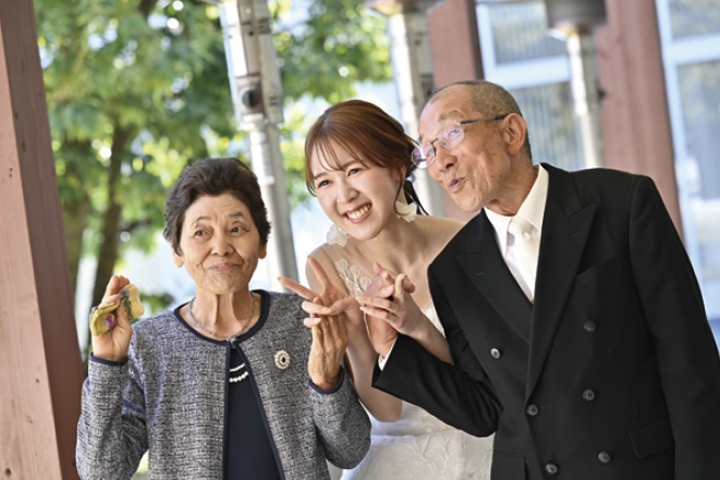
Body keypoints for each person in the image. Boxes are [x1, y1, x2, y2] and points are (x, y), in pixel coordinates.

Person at [365, 80, 720, 479]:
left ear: (512, 132)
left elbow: (689, 363)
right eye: (427, 150)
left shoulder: (621, 203)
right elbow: (484, 411)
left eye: (452, 133)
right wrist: (391, 345)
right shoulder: (452, 269)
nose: (439, 162)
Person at [76, 158, 371, 480]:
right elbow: (100, 472)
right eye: (201, 232)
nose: (221, 247)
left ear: (261, 243)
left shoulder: (302, 322)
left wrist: (327, 382)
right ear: (176, 250)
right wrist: (106, 365)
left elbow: (351, 451)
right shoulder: (147, 345)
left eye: (236, 229)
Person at [281, 99, 494, 479]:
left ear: (397, 169)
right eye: (325, 181)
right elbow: (387, 412)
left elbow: (480, 384)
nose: (343, 195)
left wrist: (414, 326)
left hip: (482, 451)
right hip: (394, 464)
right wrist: (355, 338)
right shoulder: (326, 267)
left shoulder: (464, 243)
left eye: (355, 170)